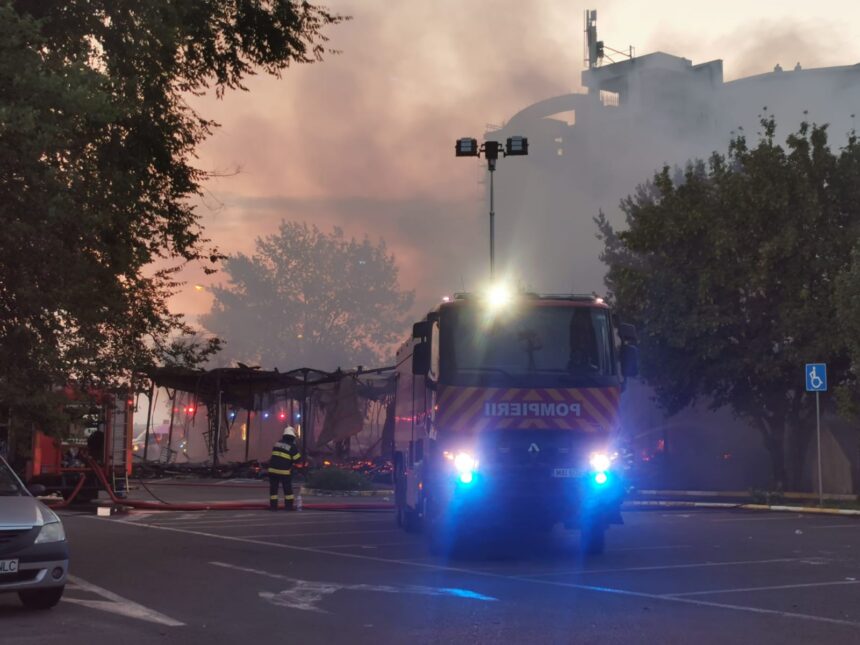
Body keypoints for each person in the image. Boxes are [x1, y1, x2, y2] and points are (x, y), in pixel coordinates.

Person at [269, 427, 301, 510]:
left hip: (272, 470)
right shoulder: (292, 446)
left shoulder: (277, 443)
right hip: (284, 471)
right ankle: (289, 507)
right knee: (287, 489)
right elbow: (297, 459)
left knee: (273, 489)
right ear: (292, 437)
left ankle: (273, 507)